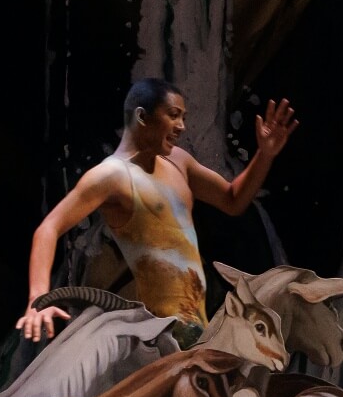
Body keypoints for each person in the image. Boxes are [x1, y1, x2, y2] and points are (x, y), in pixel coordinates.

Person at [16, 78, 298, 346]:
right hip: (156, 333)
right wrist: (37, 298)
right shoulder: (111, 175)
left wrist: (265, 155)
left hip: (196, 329)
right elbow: (48, 229)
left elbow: (233, 200)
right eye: (173, 115)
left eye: (184, 118)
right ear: (142, 117)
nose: (182, 126)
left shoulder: (178, 163)